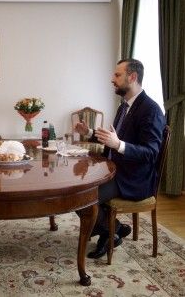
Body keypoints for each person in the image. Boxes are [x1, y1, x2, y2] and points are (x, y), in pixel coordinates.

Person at [75, 59, 166, 259]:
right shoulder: (124, 106)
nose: (112, 79)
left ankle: (110, 233)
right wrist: (90, 132)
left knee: (81, 199)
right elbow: (113, 139)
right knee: (78, 190)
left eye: (117, 75)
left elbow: (151, 153)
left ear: (132, 77)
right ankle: (114, 229)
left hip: (135, 178)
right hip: (116, 171)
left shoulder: (151, 110)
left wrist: (119, 145)